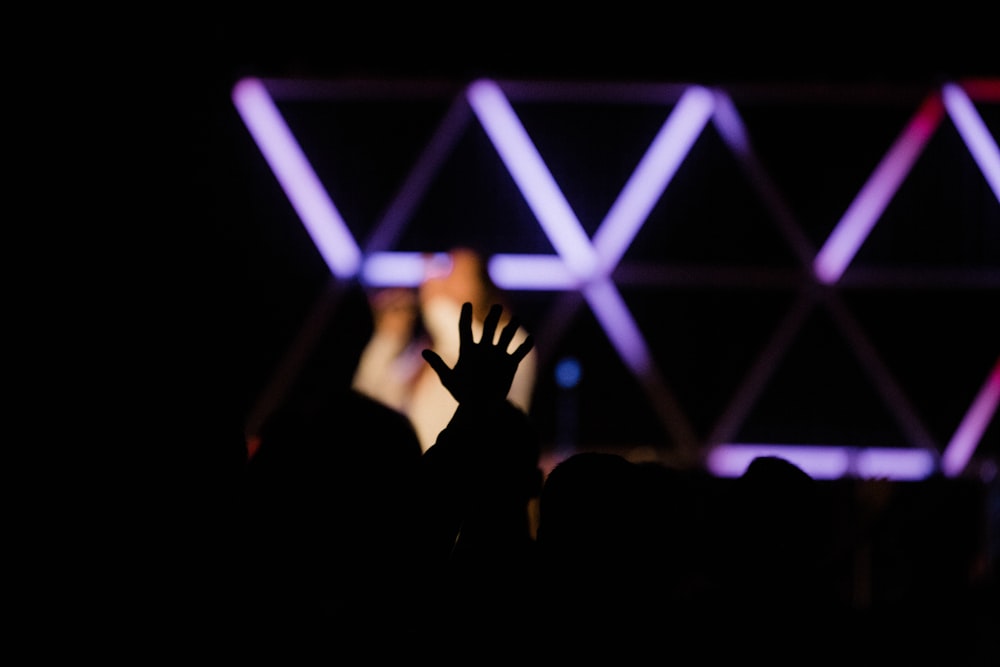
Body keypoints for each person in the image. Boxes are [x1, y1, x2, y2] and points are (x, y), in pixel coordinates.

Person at [352, 246, 537, 452]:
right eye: (442, 272)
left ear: (483, 285)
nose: (442, 282)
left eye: (455, 274)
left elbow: (473, 362)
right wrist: (388, 338)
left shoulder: (510, 340)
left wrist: (435, 302)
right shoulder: (429, 349)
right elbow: (368, 401)